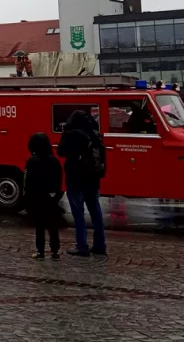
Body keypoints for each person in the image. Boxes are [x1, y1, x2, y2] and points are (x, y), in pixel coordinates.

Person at [57, 110, 107, 257]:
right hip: (93, 177)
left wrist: (64, 133)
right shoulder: (94, 134)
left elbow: (61, 151)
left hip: (76, 178)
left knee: (78, 213)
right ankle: (100, 245)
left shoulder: (72, 134)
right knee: (95, 211)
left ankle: (82, 246)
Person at [25, 132, 63, 260]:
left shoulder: (31, 162)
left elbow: (27, 182)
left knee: (39, 226)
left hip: (37, 199)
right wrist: (56, 195)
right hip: (51, 198)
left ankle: (40, 251)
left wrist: (27, 199)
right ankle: (55, 252)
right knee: (53, 226)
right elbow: (59, 180)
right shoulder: (54, 161)